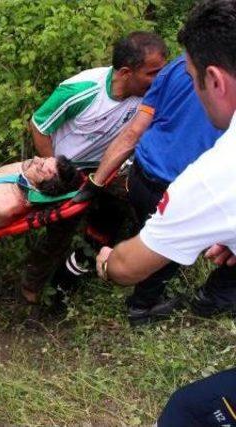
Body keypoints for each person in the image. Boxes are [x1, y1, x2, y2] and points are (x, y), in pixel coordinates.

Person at [94, 1, 236, 424]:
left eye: (195, 81)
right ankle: (148, 304)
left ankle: (143, 306)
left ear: (215, 79)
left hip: (152, 180)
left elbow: (125, 265)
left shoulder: (215, 178)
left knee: (183, 413)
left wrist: (107, 263)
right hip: (159, 186)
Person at [21, 31, 168, 305]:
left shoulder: (149, 94)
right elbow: (39, 126)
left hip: (106, 168)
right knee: (60, 228)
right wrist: (55, 169)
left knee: (126, 202)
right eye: (152, 73)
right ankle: (33, 285)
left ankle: (86, 262)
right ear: (126, 72)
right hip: (65, 167)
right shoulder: (81, 90)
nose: (159, 79)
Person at [79, 54, 224, 325]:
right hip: (179, 188)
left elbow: (134, 131)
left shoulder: (180, 66)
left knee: (150, 225)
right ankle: (142, 307)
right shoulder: (225, 85)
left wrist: (97, 181)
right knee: (168, 252)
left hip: (141, 175)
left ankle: (132, 253)